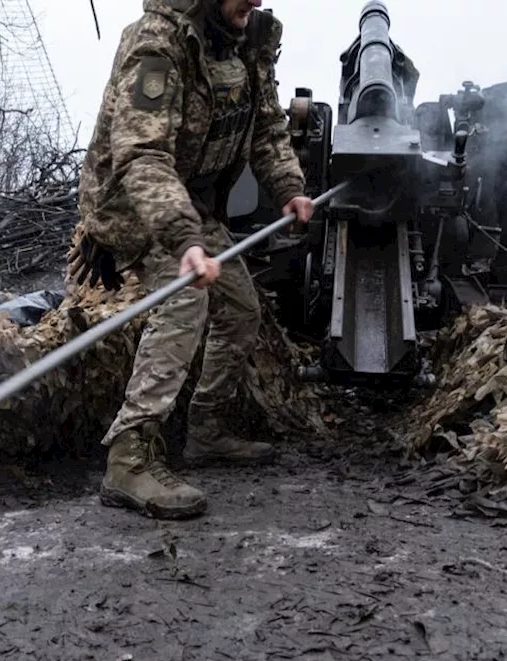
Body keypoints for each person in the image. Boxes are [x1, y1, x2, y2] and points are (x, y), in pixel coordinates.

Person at [66, 0, 314, 520]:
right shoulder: (156, 45)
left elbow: (267, 129)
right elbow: (142, 155)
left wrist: (289, 187)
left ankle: (205, 430)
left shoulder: (249, 42)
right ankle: (129, 456)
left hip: (194, 206)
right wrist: (184, 240)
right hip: (137, 208)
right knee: (185, 300)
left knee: (242, 308)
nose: (257, 1)